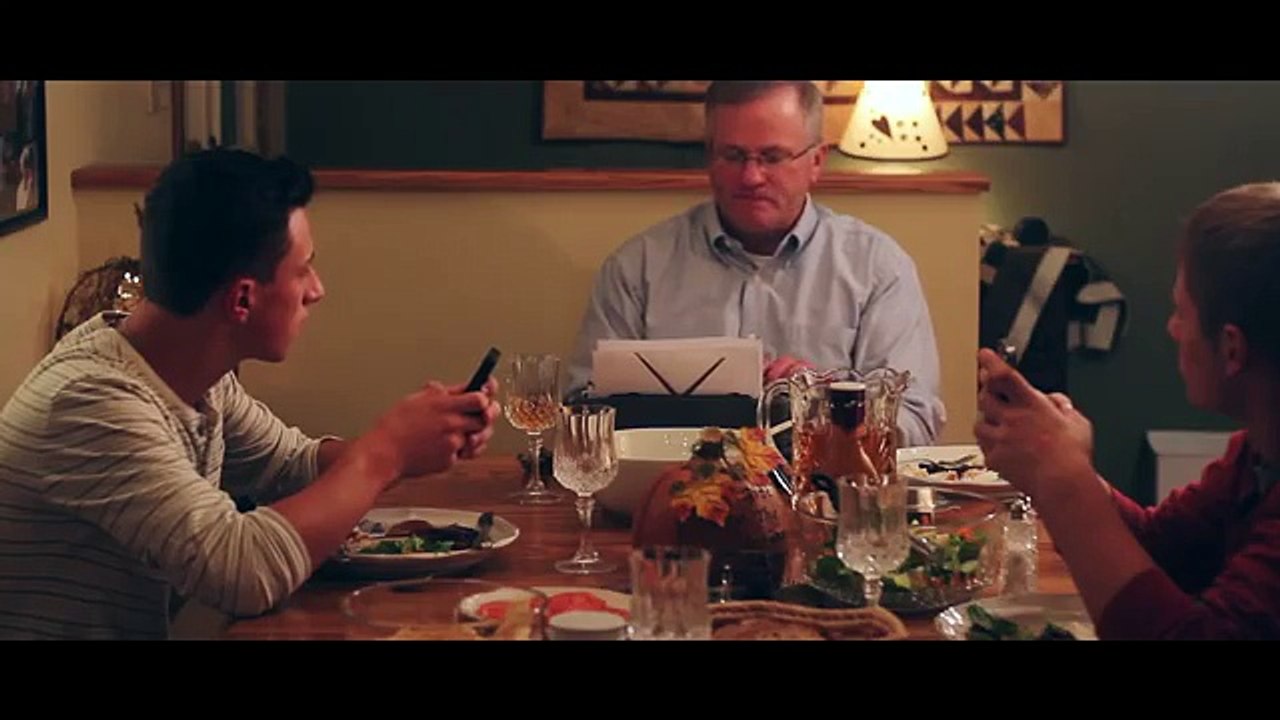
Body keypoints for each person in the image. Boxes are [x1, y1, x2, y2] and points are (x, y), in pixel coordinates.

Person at [0, 148, 500, 639]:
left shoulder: (193, 373)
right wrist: (385, 452)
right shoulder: (93, 402)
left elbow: (290, 466)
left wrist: (420, 440)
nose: (317, 289)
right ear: (243, 298)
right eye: (303, 269)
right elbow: (245, 573)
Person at [976, 182, 1280, 639]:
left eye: (1182, 312)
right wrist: (1061, 459)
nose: (1172, 328)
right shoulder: (1258, 452)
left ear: (1232, 348)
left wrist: (1063, 480)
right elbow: (1163, 548)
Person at [566, 81, 944, 445]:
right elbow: (580, 414)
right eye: (733, 156)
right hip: (666, 496)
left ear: (816, 161)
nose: (751, 176)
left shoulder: (878, 268)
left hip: (826, 500)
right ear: (709, 158)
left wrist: (827, 405)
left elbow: (914, 419)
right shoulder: (637, 268)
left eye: (773, 157)